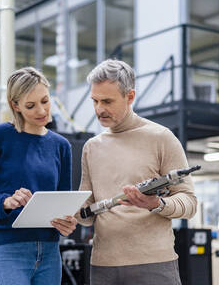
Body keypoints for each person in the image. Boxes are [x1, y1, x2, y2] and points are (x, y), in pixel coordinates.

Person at [76, 59, 197, 285]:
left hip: (154, 265)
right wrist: (67, 215)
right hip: (103, 267)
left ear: (130, 96)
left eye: (107, 101)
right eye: (95, 101)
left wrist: (156, 204)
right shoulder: (92, 147)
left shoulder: (161, 138)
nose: (99, 109)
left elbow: (189, 203)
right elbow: (86, 212)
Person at [0, 67, 78, 285]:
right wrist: (6, 201)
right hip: (8, 248)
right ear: (14, 105)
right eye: (31, 105)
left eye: (45, 101)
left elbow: (64, 201)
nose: (41, 110)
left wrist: (67, 222)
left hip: (49, 250)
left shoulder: (61, 146)